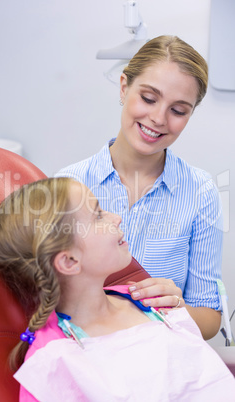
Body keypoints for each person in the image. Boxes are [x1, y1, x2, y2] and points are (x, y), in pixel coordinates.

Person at [0, 177, 234, 401]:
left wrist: (179, 307)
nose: (117, 217)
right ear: (69, 261)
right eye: (98, 215)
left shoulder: (145, 297)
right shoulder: (54, 360)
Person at [55, 35, 223, 340]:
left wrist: (177, 307)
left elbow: (210, 318)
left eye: (178, 110)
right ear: (123, 87)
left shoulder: (200, 192)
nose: (158, 118)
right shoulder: (70, 185)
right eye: (148, 98)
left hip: (164, 362)